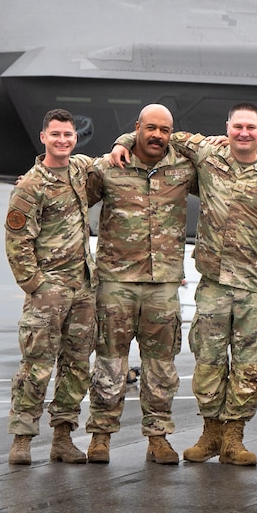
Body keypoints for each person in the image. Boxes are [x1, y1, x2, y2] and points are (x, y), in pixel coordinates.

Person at [113, 103, 257, 466]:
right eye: (238, 126)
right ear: (226, 127)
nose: (244, 133)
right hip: (213, 284)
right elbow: (157, 134)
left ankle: (233, 438)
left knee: (248, 367)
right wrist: (121, 141)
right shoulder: (207, 152)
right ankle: (211, 433)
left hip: (256, 289)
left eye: (251, 127)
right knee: (208, 362)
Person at [84, 104, 198, 465]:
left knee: (161, 366)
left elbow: (222, 165)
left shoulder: (183, 169)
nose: (157, 136)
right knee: (109, 363)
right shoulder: (108, 168)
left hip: (162, 283)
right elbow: (70, 204)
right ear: (137, 129)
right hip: (116, 282)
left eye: (164, 130)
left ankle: (159, 437)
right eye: (150, 128)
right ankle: (100, 436)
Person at [5, 109, 102, 465]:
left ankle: (63, 438)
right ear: (43, 137)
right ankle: (22, 439)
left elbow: (113, 159)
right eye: (56, 134)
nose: (63, 140)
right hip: (49, 293)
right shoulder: (31, 185)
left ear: (75, 138)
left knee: (76, 367)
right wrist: (36, 285)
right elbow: (17, 240)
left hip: (82, 291)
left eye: (68, 135)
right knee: (36, 367)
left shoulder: (80, 170)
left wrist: (123, 143)